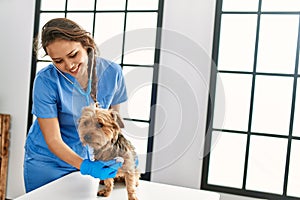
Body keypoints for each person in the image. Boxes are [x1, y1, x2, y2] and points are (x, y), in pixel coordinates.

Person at [23, 18, 128, 193]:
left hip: (86, 157)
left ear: (86, 44)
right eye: (58, 61)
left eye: (73, 55)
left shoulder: (112, 73)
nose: (69, 65)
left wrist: (120, 151)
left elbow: (114, 124)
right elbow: (53, 139)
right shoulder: (46, 81)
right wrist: (86, 166)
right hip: (47, 161)